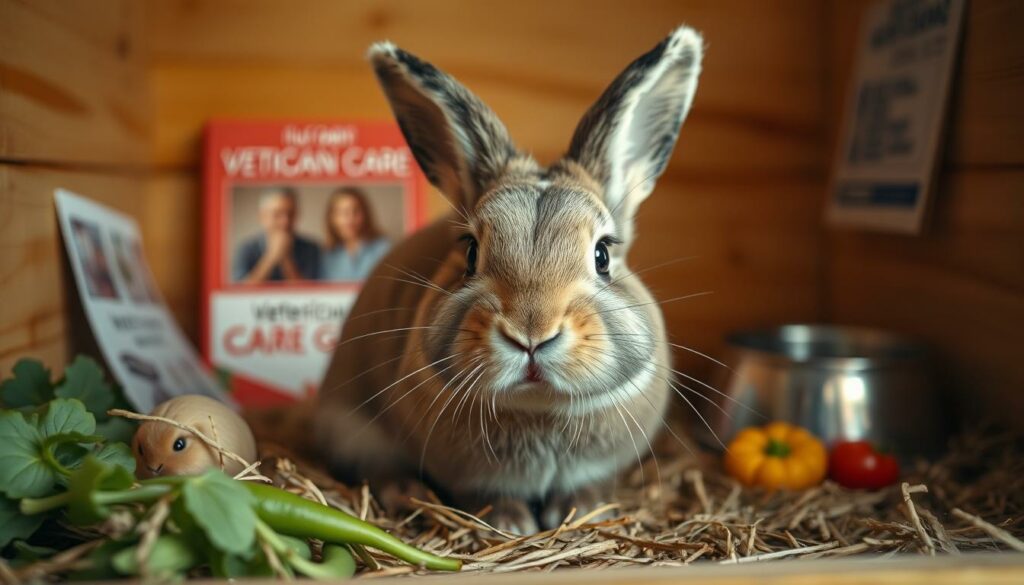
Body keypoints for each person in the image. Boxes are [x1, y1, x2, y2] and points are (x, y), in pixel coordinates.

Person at [233, 187, 321, 283]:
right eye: (277, 214)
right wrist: (271, 257)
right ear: (262, 216)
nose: (285, 222)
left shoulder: (312, 248)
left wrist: (286, 259)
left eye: (290, 214)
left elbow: (309, 293)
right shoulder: (246, 248)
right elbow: (240, 291)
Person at [320, 187, 391, 281]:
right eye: (343, 213)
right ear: (332, 218)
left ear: (365, 215)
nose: (350, 219)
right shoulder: (326, 254)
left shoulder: (383, 248)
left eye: (356, 211)